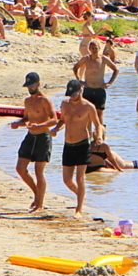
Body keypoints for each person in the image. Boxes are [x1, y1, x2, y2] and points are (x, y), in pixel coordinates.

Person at [51, 80, 102, 218]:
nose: (72, 97)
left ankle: (78, 210)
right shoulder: (65, 104)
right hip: (68, 145)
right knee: (67, 180)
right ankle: (81, 196)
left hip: (82, 145)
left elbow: (98, 125)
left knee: (80, 178)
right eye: (70, 94)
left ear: (80, 91)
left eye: (74, 94)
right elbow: (62, 120)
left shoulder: (88, 106)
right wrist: (55, 129)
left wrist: (99, 137)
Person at [10, 72, 57, 212]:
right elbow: (26, 118)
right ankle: (38, 195)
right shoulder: (27, 101)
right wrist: (18, 123)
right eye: (28, 86)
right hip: (30, 136)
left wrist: (40, 125)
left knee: (39, 171)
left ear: (38, 84)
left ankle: (40, 204)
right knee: (20, 168)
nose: (30, 88)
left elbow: (54, 119)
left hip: (43, 137)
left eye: (32, 85)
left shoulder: (45, 100)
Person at [72, 41, 119, 126]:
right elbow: (75, 68)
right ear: (89, 49)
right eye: (92, 48)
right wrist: (79, 80)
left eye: (96, 48)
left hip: (99, 89)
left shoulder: (104, 59)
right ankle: (89, 135)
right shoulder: (85, 59)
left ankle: (100, 135)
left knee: (99, 113)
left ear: (99, 48)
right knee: (87, 113)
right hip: (88, 89)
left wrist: (110, 83)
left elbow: (116, 69)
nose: (94, 50)